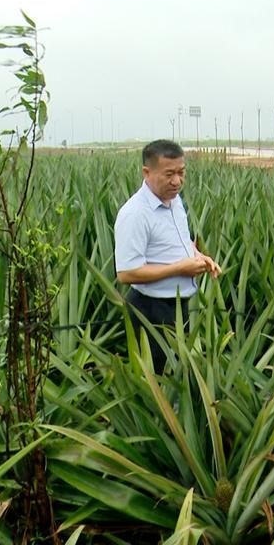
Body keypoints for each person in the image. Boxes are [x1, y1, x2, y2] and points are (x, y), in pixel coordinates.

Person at [114, 140, 221, 373]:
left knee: (178, 373)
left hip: (177, 307)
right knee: (156, 379)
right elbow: (126, 273)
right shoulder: (134, 214)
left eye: (181, 173)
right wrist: (179, 269)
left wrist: (199, 256)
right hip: (150, 309)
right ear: (147, 172)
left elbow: (181, 242)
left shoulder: (174, 201)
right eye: (169, 174)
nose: (177, 181)